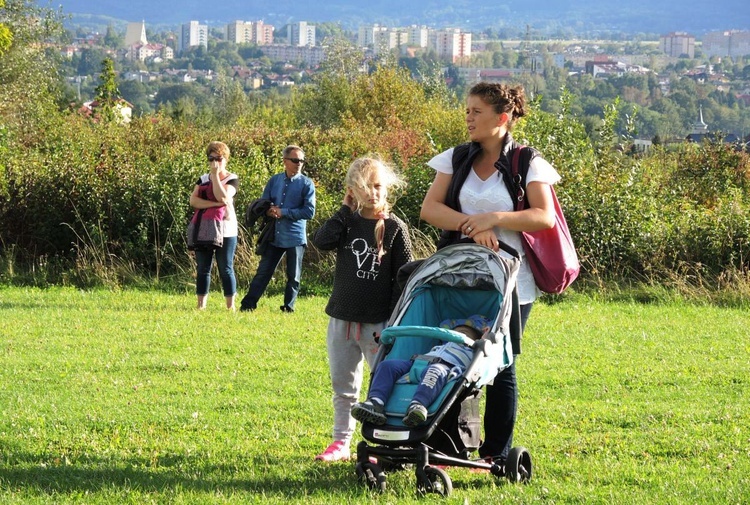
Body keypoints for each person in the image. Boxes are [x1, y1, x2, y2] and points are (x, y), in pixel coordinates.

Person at [419, 82, 560, 467]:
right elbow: (429, 209)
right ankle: (446, 446)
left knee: (501, 363)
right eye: (466, 110)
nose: (467, 117)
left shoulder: (527, 162)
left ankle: (497, 451)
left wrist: (493, 218)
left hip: (513, 282)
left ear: (502, 118)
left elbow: (543, 216)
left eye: (476, 112)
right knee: (451, 352)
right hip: (460, 277)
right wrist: (472, 225)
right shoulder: (456, 158)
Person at [312, 156, 413, 462]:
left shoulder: (396, 229)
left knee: (384, 386)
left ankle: (383, 445)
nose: (373, 192)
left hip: (378, 326)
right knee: (344, 387)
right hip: (342, 319)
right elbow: (321, 241)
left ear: (387, 188)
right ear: (352, 190)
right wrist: (344, 210)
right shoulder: (346, 224)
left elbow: (404, 278)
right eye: (365, 186)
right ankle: (341, 443)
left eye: (378, 186)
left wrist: (395, 323)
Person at [351, 315, 489, 427]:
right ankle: (375, 402)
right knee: (386, 365)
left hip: (445, 367)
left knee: (435, 370)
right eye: (455, 332)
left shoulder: (473, 349)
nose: (457, 334)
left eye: (464, 333)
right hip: (417, 362)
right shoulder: (443, 344)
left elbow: (489, 337)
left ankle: (417, 406)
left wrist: (485, 335)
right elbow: (444, 324)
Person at [239, 145, 316, 313]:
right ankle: (248, 305)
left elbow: (309, 212)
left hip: (295, 236)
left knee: (293, 276)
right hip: (275, 235)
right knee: (263, 272)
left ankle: (289, 308)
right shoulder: (274, 181)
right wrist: (268, 210)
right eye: (295, 160)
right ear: (285, 161)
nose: (299, 164)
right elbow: (263, 202)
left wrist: (284, 212)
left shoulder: (307, 184)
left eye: (301, 160)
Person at [189, 141, 239, 310]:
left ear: (226, 159)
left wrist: (216, 176)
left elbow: (222, 198)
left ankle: (230, 306)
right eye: (211, 158)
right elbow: (193, 201)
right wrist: (212, 205)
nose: (215, 162)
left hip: (226, 230)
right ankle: (201, 306)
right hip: (204, 227)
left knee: (225, 267)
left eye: (219, 158)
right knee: (203, 268)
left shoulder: (232, 179)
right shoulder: (202, 179)